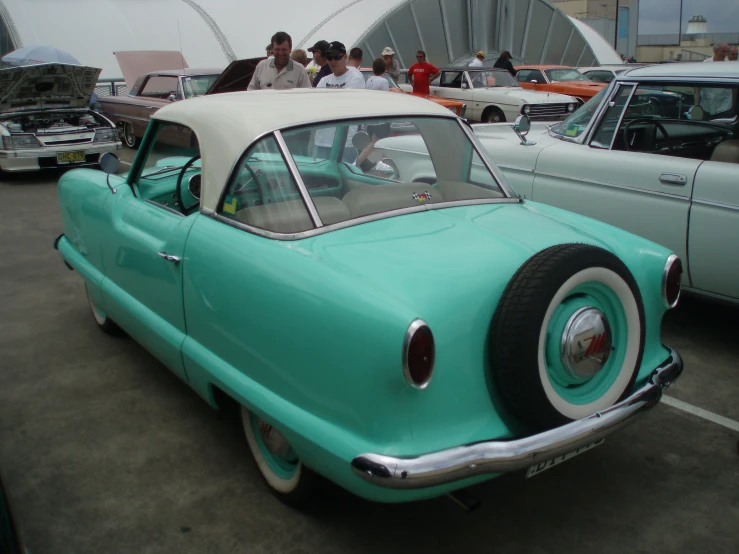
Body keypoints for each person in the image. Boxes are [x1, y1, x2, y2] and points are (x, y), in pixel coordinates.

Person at [314, 41, 365, 162]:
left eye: (336, 57)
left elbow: (346, 108)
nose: (332, 61)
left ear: (345, 57)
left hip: (345, 143)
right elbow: (315, 107)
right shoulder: (323, 80)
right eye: (329, 57)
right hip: (322, 141)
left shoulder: (355, 78)